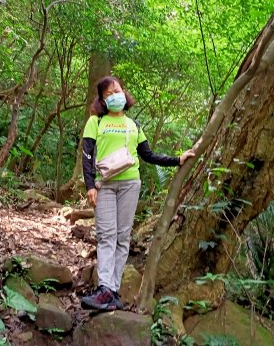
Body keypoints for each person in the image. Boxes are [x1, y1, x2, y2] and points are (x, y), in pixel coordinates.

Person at [80, 76, 195, 311]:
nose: (114, 96)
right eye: (109, 93)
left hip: (130, 184)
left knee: (122, 238)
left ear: (125, 93)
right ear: (102, 99)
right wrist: (90, 185)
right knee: (106, 235)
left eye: (117, 91)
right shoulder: (96, 122)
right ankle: (104, 287)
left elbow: (148, 155)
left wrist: (177, 159)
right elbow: (87, 155)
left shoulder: (134, 125)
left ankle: (111, 291)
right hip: (105, 185)